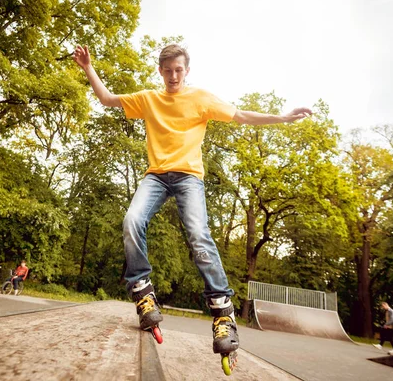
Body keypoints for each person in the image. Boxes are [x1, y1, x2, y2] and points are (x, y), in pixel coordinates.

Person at [73, 43, 312, 356]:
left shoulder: (200, 98)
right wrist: (89, 67)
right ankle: (143, 292)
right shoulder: (149, 98)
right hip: (156, 176)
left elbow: (240, 115)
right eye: (168, 70)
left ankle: (222, 312)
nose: (173, 76)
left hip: (188, 178)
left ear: (186, 71)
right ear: (160, 71)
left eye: (179, 70)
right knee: (132, 220)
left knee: (198, 236)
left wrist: (281, 118)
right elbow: (107, 99)